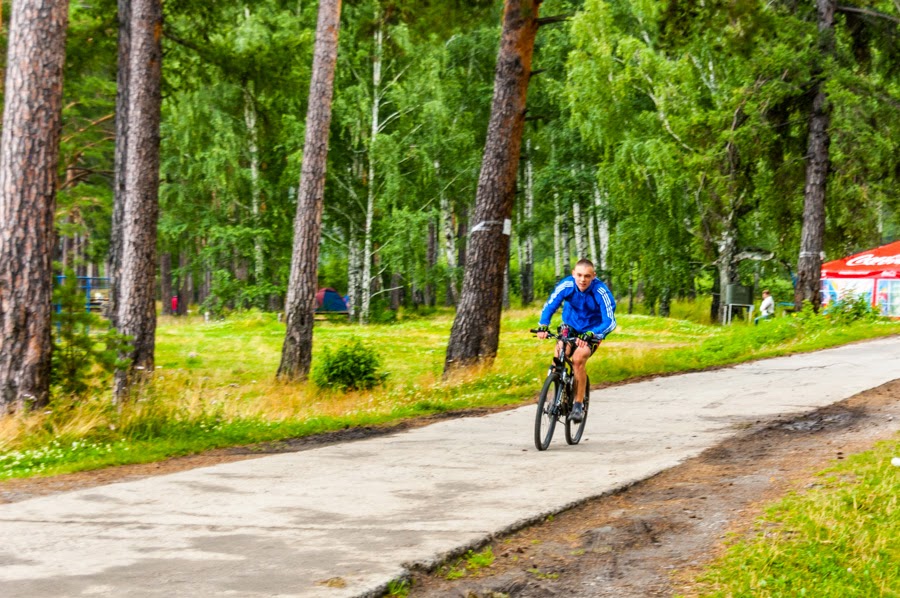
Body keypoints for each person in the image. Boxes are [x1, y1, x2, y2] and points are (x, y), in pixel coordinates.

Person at [536, 259, 617, 423]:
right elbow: (550, 305)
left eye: (587, 276)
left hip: (592, 331)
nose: (582, 280)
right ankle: (555, 387)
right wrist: (543, 325)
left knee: (578, 359)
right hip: (570, 325)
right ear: (573, 274)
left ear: (593, 276)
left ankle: (578, 404)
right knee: (560, 351)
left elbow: (610, 321)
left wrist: (592, 333)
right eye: (579, 275)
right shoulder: (567, 285)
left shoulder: (601, 291)